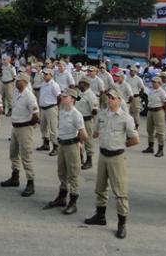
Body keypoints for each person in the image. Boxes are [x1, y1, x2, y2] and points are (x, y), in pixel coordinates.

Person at [84, 87, 139, 240]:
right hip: (103, 155)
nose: (110, 100)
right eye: (109, 97)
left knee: (120, 192)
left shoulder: (125, 118)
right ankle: (100, 217)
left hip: (117, 157)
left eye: (113, 98)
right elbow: (95, 133)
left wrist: (121, 145)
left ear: (120, 100)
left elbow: (135, 139)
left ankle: (122, 225)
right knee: (100, 188)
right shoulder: (102, 115)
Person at [44, 88, 87, 215]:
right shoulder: (62, 111)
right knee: (62, 171)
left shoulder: (76, 114)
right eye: (62, 96)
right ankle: (62, 197)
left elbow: (84, 135)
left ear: (72, 99)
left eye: (65, 96)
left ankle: (73, 202)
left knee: (73, 174)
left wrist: (79, 144)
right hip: (62, 144)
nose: (62, 98)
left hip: (71, 145)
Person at [0, 72, 39, 197]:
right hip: (15, 127)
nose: (16, 82)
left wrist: (29, 125)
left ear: (25, 82)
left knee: (26, 156)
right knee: (13, 153)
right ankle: (15, 177)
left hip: (24, 128)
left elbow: (35, 116)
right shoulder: (17, 93)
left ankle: (30, 182)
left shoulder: (29, 96)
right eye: (16, 80)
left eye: (19, 81)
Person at [36, 68, 61, 156]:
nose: (44, 76)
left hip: (51, 108)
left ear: (51, 75)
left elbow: (59, 97)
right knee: (43, 127)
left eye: (46, 74)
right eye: (44, 74)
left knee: (52, 128)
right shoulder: (43, 84)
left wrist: (55, 106)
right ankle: (46, 143)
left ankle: (56, 146)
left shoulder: (54, 85)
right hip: (43, 108)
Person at [76, 77, 99, 170]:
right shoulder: (80, 93)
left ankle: (89, 160)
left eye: (80, 83)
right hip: (78, 120)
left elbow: (94, 111)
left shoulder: (91, 95)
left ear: (85, 85)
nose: (79, 85)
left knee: (88, 140)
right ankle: (79, 157)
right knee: (78, 140)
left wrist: (93, 120)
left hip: (86, 120)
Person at [143, 77, 166, 157]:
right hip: (150, 111)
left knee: (160, 131)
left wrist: (162, 111)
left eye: (155, 82)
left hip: (158, 111)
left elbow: (165, 103)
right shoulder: (151, 90)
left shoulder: (162, 92)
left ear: (159, 83)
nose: (153, 83)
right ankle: (150, 147)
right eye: (152, 82)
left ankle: (161, 150)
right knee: (149, 129)